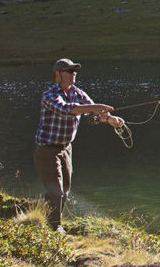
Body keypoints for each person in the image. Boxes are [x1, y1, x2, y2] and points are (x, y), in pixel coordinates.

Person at [33, 58, 124, 233]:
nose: (73, 73)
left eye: (74, 70)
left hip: (66, 147)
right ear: (58, 75)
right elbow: (67, 109)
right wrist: (93, 107)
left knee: (64, 190)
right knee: (56, 191)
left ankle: (48, 222)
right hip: (47, 149)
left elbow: (92, 114)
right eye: (69, 71)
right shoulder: (50, 95)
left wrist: (109, 119)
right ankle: (55, 227)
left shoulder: (78, 93)